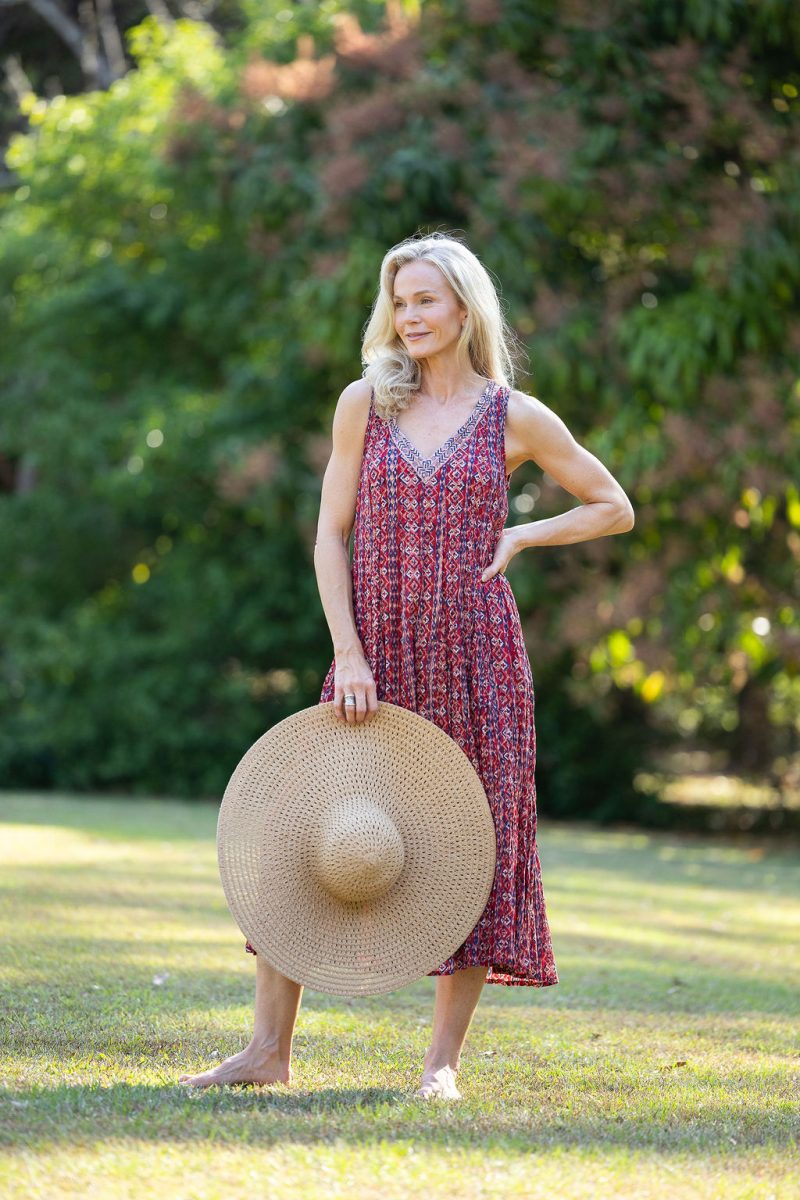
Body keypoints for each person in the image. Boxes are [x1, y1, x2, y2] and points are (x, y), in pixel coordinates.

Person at [180, 231, 634, 1099]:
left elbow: (614, 506)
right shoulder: (366, 403)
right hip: (374, 652)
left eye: (426, 299)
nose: (409, 316)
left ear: (466, 308)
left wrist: (525, 532)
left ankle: (441, 1066)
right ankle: (266, 1053)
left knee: (475, 845)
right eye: (400, 301)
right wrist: (347, 652)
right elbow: (329, 535)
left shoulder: (513, 416)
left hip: (478, 656)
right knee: (303, 830)